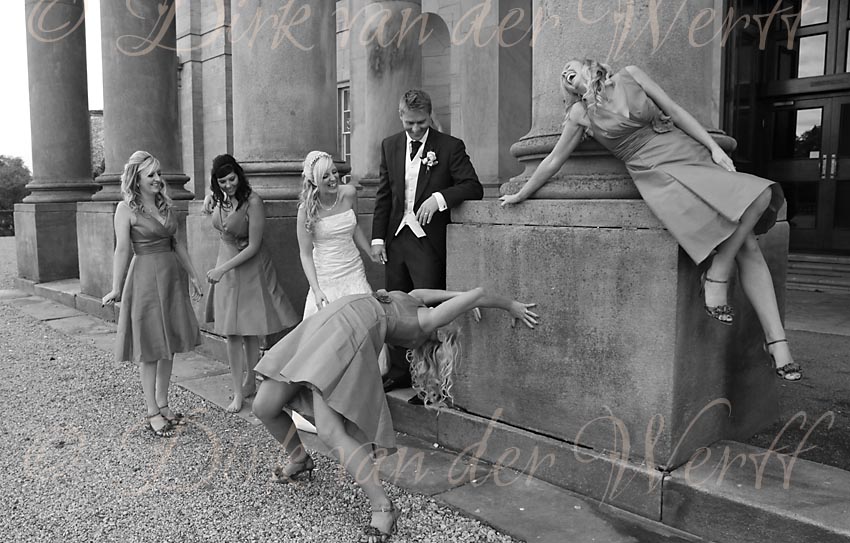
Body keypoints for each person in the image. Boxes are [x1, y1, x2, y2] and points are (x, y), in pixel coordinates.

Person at [499, 59, 801, 381]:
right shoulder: (580, 114)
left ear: (590, 65)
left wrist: (714, 148)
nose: (565, 72)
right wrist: (521, 194)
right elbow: (552, 160)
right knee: (747, 243)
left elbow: (676, 111)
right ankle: (775, 341)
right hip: (658, 174)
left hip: (687, 154)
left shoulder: (629, 75)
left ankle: (720, 275)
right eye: (563, 75)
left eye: (570, 65)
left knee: (760, 199)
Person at [252, 287, 537, 542]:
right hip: (336, 320)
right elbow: (475, 293)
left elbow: (467, 296)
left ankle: (383, 507)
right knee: (264, 406)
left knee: (330, 432)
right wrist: (510, 305)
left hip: (348, 326)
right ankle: (300, 459)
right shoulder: (418, 306)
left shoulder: (424, 318)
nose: (446, 313)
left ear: (439, 335)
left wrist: (463, 300)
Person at [371, 89, 484, 392]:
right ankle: (399, 372)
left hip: (427, 244)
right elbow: (384, 195)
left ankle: (429, 381)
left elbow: (473, 186)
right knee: (395, 308)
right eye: (409, 123)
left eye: (421, 122)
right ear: (401, 116)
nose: (415, 129)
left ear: (430, 116)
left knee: (429, 314)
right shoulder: (390, 145)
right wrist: (378, 238)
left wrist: (439, 198)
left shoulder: (450, 147)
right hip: (396, 241)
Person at [102, 151, 204, 437]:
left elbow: (177, 243)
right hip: (145, 280)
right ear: (136, 180)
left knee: (168, 344)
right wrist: (116, 287)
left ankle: (163, 403)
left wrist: (193, 275)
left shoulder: (165, 204)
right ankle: (151, 411)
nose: (158, 179)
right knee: (149, 348)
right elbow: (122, 249)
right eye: (151, 175)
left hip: (171, 279)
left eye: (158, 173)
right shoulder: (125, 209)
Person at [203, 154, 300, 414]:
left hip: (247, 266)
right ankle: (237, 391)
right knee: (232, 333)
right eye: (222, 182)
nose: (228, 185)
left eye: (231, 179)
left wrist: (222, 269)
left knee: (248, 330)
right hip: (225, 264)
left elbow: (254, 246)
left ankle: (250, 382)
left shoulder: (254, 202)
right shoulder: (218, 198)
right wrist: (210, 196)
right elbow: (219, 217)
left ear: (239, 175)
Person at [297, 151, 389, 371]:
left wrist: (369, 251)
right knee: (325, 330)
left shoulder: (349, 193)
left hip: (353, 269)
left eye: (334, 172)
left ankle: (363, 373)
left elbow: (354, 226)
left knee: (364, 322)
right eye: (325, 176)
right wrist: (316, 289)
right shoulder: (306, 210)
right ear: (313, 181)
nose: (333, 179)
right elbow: (305, 254)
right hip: (326, 275)